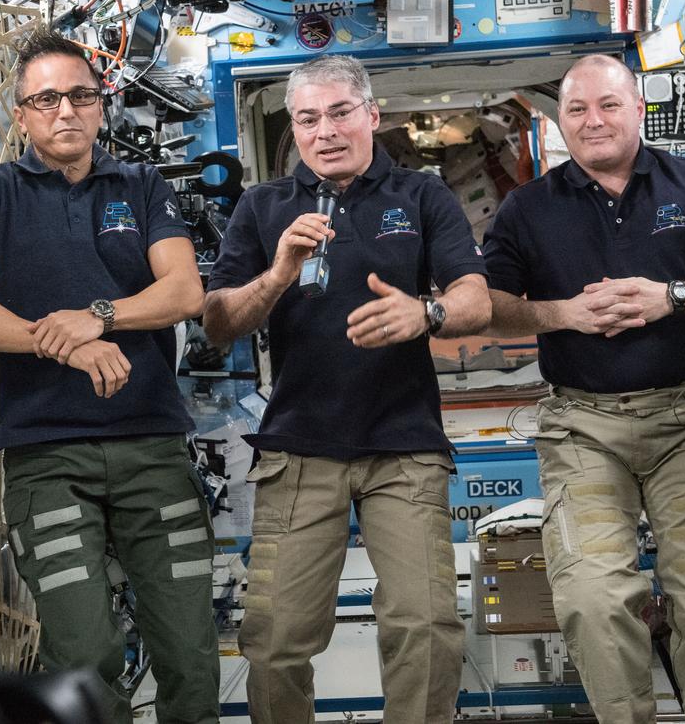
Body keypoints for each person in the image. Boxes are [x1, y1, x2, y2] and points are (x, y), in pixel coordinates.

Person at [0, 28, 219, 724]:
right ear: (21, 112)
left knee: (189, 654)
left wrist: (100, 316)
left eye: (81, 95)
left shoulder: (142, 185)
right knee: (85, 654)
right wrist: (63, 345)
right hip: (47, 456)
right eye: (47, 99)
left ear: (101, 104)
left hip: (151, 447)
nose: (66, 110)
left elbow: (184, 291)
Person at [203, 54, 491, 724]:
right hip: (300, 449)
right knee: (275, 640)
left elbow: (476, 299)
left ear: (372, 114)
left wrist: (426, 313)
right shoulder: (263, 205)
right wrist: (278, 272)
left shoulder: (422, 196)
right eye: (308, 118)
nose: (325, 131)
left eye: (339, 113)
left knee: (426, 626)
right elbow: (218, 322)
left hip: (404, 447)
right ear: (294, 128)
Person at [482, 54, 685, 723]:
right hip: (583, 427)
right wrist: (564, 313)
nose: (593, 121)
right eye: (577, 109)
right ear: (562, 121)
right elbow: (489, 306)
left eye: (608, 105)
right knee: (594, 600)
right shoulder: (528, 208)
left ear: (638, 109)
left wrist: (674, 297)